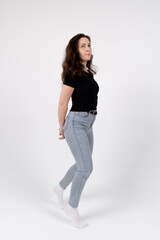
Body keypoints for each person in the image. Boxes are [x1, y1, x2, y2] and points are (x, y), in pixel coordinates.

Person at [53, 33, 99, 229]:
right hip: (75, 123)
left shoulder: (87, 72)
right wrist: (61, 126)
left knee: (81, 163)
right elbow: (63, 102)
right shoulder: (73, 73)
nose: (88, 48)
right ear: (75, 50)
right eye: (83, 46)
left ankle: (59, 188)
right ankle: (72, 207)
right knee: (86, 168)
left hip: (88, 122)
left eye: (89, 45)